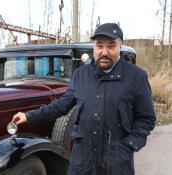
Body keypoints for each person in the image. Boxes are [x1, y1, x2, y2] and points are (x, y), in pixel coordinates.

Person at [11, 23, 155, 175]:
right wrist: (28, 115)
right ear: (94, 47)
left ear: (120, 46)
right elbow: (60, 106)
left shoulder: (136, 77)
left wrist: (131, 145)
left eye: (111, 46)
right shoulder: (80, 75)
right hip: (82, 159)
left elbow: (147, 118)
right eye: (99, 46)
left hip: (117, 161)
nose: (104, 52)